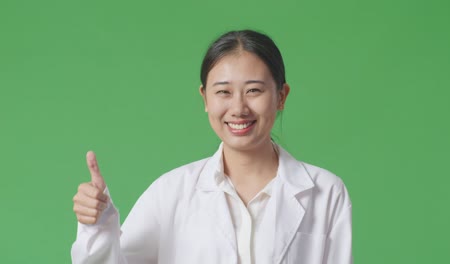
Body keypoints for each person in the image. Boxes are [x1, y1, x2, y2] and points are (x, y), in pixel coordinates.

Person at [71, 30, 352, 264]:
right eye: (223, 92)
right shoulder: (170, 193)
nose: (239, 108)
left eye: (254, 90)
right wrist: (98, 227)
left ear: (281, 96)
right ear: (205, 98)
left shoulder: (326, 192)